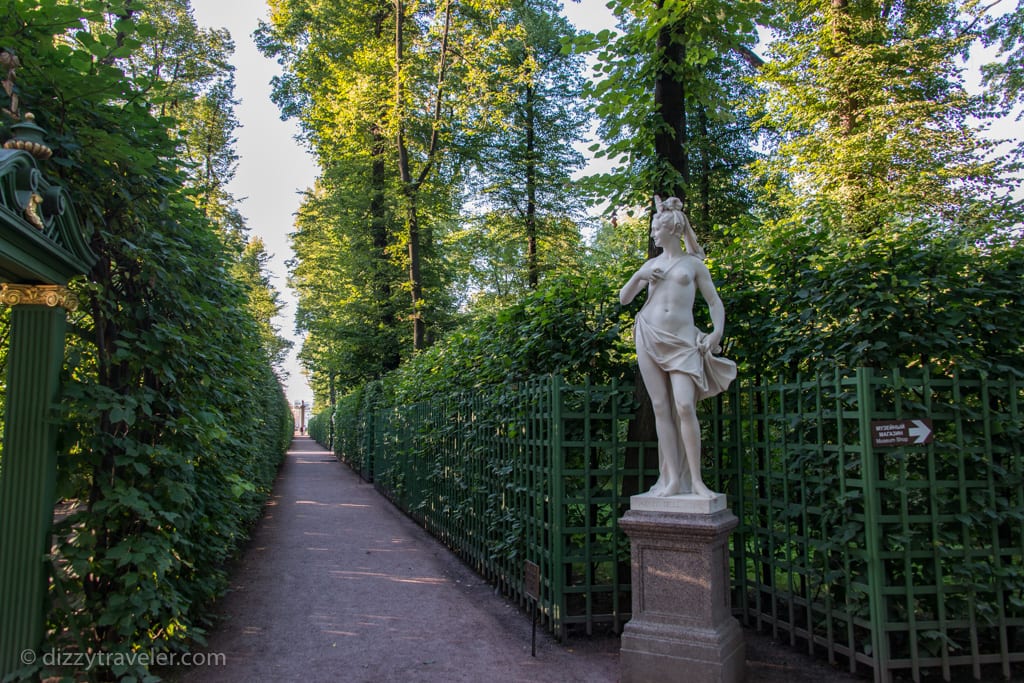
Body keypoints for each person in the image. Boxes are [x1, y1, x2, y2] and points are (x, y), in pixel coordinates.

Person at [619, 196, 736, 498]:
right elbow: (624, 298)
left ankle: (695, 481)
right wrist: (639, 275)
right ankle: (671, 480)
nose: (653, 234)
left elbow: (713, 302)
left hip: (683, 342)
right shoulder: (651, 265)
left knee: (685, 406)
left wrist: (716, 333)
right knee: (660, 408)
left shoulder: (692, 264)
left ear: (671, 230)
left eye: (656, 229)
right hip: (648, 334)